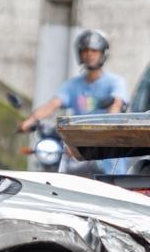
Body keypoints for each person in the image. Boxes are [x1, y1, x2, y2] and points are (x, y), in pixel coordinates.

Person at [18, 29, 127, 174]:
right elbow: (53, 104)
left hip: (106, 151)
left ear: (103, 53)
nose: (89, 54)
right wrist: (31, 120)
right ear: (79, 53)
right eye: (85, 50)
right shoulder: (73, 85)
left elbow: (117, 105)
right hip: (79, 147)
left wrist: (106, 124)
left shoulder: (115, 82)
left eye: (94, 50)